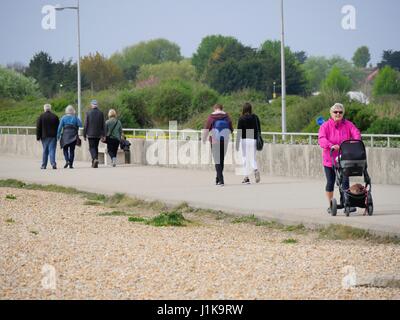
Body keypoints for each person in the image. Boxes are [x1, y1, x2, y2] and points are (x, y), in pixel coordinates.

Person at [318, 103, 361, 214]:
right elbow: (321, 139)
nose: (338, 114)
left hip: (344, 158)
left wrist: (355, 141)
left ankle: (346, 202)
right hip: (330, 159)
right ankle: (331, 204)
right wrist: (330, 145)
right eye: (335, 112)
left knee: (345, 182)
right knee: (330, 182)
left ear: (343, 113)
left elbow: (356, 133)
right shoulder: (325, 126)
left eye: (340, 112)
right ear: (331, 113)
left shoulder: (348, 125)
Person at [203, 104, 233, 186]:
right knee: (221, 159)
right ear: (222, 108)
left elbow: (206, 129)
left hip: (214, 140)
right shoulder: (227, 116)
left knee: (217, 160)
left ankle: (221, 180)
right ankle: (218, 178)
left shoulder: (211, 117)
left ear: (215, 108)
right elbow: (231, 129)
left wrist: (204, 139)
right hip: (225, 140)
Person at [235, 102, 261, 184]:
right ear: (250, 109)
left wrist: (237, 143)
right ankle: (255, 170)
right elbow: (259, 129)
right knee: (252, 158)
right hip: (253, 139)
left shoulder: (241, 118)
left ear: (243, 109)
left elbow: (239, 131)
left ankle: (246, 178)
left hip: (244, 139)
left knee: (245, 158)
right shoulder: (255, 117)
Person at [36, 104, 60, 170]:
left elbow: (38, 127)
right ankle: (53, 164)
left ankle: (44, 165)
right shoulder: (55, 116)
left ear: (44, 109)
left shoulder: (41, 116)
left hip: (44, 136)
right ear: (50, 109)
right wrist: (58, 135)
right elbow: (58, 127)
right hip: (53, 136)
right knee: (52, 150)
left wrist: (38, 137)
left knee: (45, 151)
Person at [83, 100, 105, 168]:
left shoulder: (88, 113)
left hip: (90, 134)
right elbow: (103, 124)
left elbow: (86, 124)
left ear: (91, 105)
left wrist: (84, 134)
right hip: (98, 134)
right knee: (95, 147)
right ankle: (94, 163)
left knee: (91, 148)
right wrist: (103, 134)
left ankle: (95, 159)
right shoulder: (101, 113)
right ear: (97, 105)